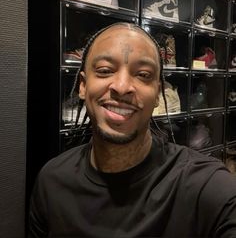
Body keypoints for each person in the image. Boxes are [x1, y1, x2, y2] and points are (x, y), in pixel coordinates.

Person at [28, 22, 236, 238]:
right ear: (82, 85)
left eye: (143, 75)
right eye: (105, 70)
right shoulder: (51, 182)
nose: (122, 86)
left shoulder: (207, 188)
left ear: (157, 93)